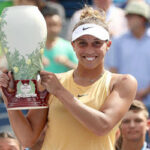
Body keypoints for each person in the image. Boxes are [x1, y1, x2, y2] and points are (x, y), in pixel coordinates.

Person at [0, 5, 137, 150]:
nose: (89, 50)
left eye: (97, 43)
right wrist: (10, 101)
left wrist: (60, 92)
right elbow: (28, 139)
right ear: (73, 45)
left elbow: (102, 126)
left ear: (108, 45)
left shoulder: (123, 82)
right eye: (82, 43)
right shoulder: (52, 83)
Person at [104, 0, 150, 114]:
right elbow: (114, 71)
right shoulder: (118, 41)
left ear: (142, 19)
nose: (127, 19)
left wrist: (145, 92)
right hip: (125, 101)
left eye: (130, 16)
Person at [41, 5, 78, 73]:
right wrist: (35, 64)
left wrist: (67, 63)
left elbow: (81, 71)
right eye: (49, 25)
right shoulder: (35, 48)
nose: (52, 29)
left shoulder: (69, 46)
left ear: (60, 25)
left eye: (54, 24)